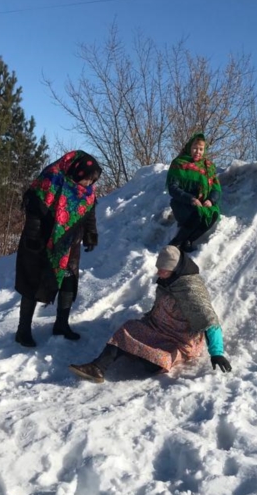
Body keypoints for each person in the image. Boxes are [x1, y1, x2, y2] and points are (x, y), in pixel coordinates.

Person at [69, 245, 232, 383]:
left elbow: (210, 321)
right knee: (127, 329)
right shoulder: (169, 280)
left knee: (156, 362)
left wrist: (216, 353)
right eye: (158, 268)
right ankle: (97, 368)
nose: (159, 273)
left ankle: (138, 353)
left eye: (163, 270)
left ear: (174, 269)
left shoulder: (190, 290)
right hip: (158, 327)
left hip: (179, 339)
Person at [14, 150, 102, 347]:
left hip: (70, 244)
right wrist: (32, 236)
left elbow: (88, 213)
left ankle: (61, 324)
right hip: (40, 242)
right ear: (78, 171)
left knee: (68, 282)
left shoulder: (86, 191)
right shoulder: (51, 179)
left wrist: (90, 234)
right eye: (88, 179)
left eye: (92, 181)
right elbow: (34, 210)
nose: (89, 184)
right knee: (33, 284)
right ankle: (23, 331)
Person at [167, 133, 222, 253]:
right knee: (196, 215)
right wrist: (190, 199)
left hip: (202, 203)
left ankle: (189, 241)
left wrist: (211, 200)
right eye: (195, 148)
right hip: (182, 203)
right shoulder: (179, 163)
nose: (198, 151)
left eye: (201, 149)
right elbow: (172, 188)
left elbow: (216, 188)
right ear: (189, 148)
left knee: (211, 216)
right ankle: (175, 243)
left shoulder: (209, 167)